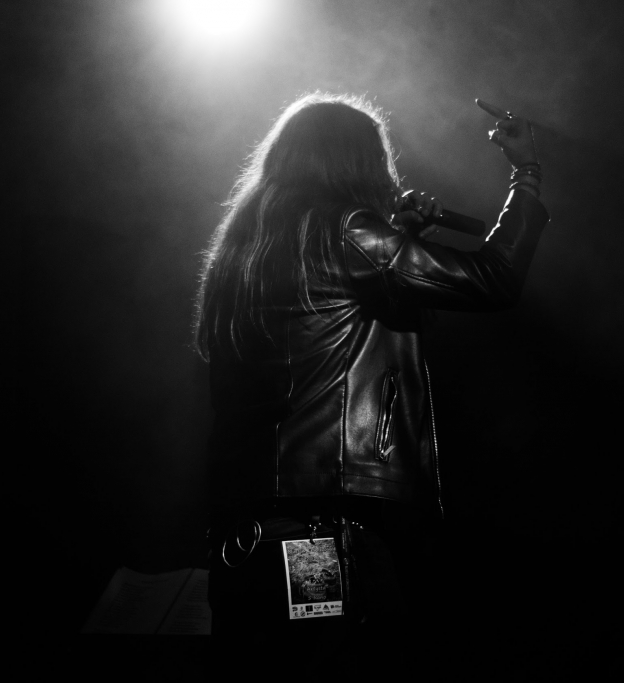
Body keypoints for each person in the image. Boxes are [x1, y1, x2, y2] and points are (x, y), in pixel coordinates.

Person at [194, 92, 548, 652]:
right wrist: (525, 174)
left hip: (243, 534)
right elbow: (493, 277)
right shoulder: (347, 230)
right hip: (322, 532)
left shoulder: (245, 250)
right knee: (336, 662)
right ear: (359, 162)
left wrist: (403, 239)